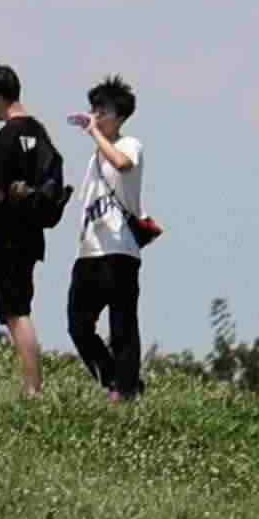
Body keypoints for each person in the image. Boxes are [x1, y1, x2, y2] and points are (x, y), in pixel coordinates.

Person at [0, 63, 56, 400]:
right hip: (32, 230)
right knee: (20, 306)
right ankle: (34, 385)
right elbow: (21, 169)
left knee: (15, 312)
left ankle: (33, 388)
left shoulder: (8, 134)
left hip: (8, 234)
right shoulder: (36, 130)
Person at [65, 75, 147, 402]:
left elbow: (123, 164)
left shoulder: (130, 145)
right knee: (78, 324)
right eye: (94, 110)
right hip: (89, 251)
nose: (96, 116)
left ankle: (124, 392)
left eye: (103, 112)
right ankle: (115, 379)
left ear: (120, 117)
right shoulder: (93, 159)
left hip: (120, 249)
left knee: (122, 324)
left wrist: (94, 133)